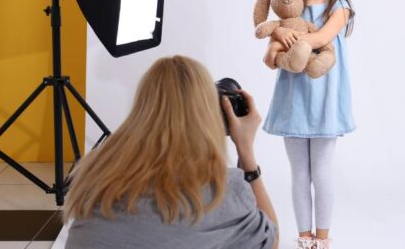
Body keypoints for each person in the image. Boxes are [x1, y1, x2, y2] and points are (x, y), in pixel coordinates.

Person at [63, 55, 278, 249]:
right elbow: (271, 241)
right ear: (207, 115)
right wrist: (246, 151)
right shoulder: (222, 191)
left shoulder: (95, 175)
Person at [262, 0, 356, 249]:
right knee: (299, 172)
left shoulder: (338, 6)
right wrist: (279, 33)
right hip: (294, 97)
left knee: (323, 171)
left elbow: (322, 37)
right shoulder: (292, 6)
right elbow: (271, 59)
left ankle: (323, 239)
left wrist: (286, 32)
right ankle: (305, 238)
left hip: (325, 96)